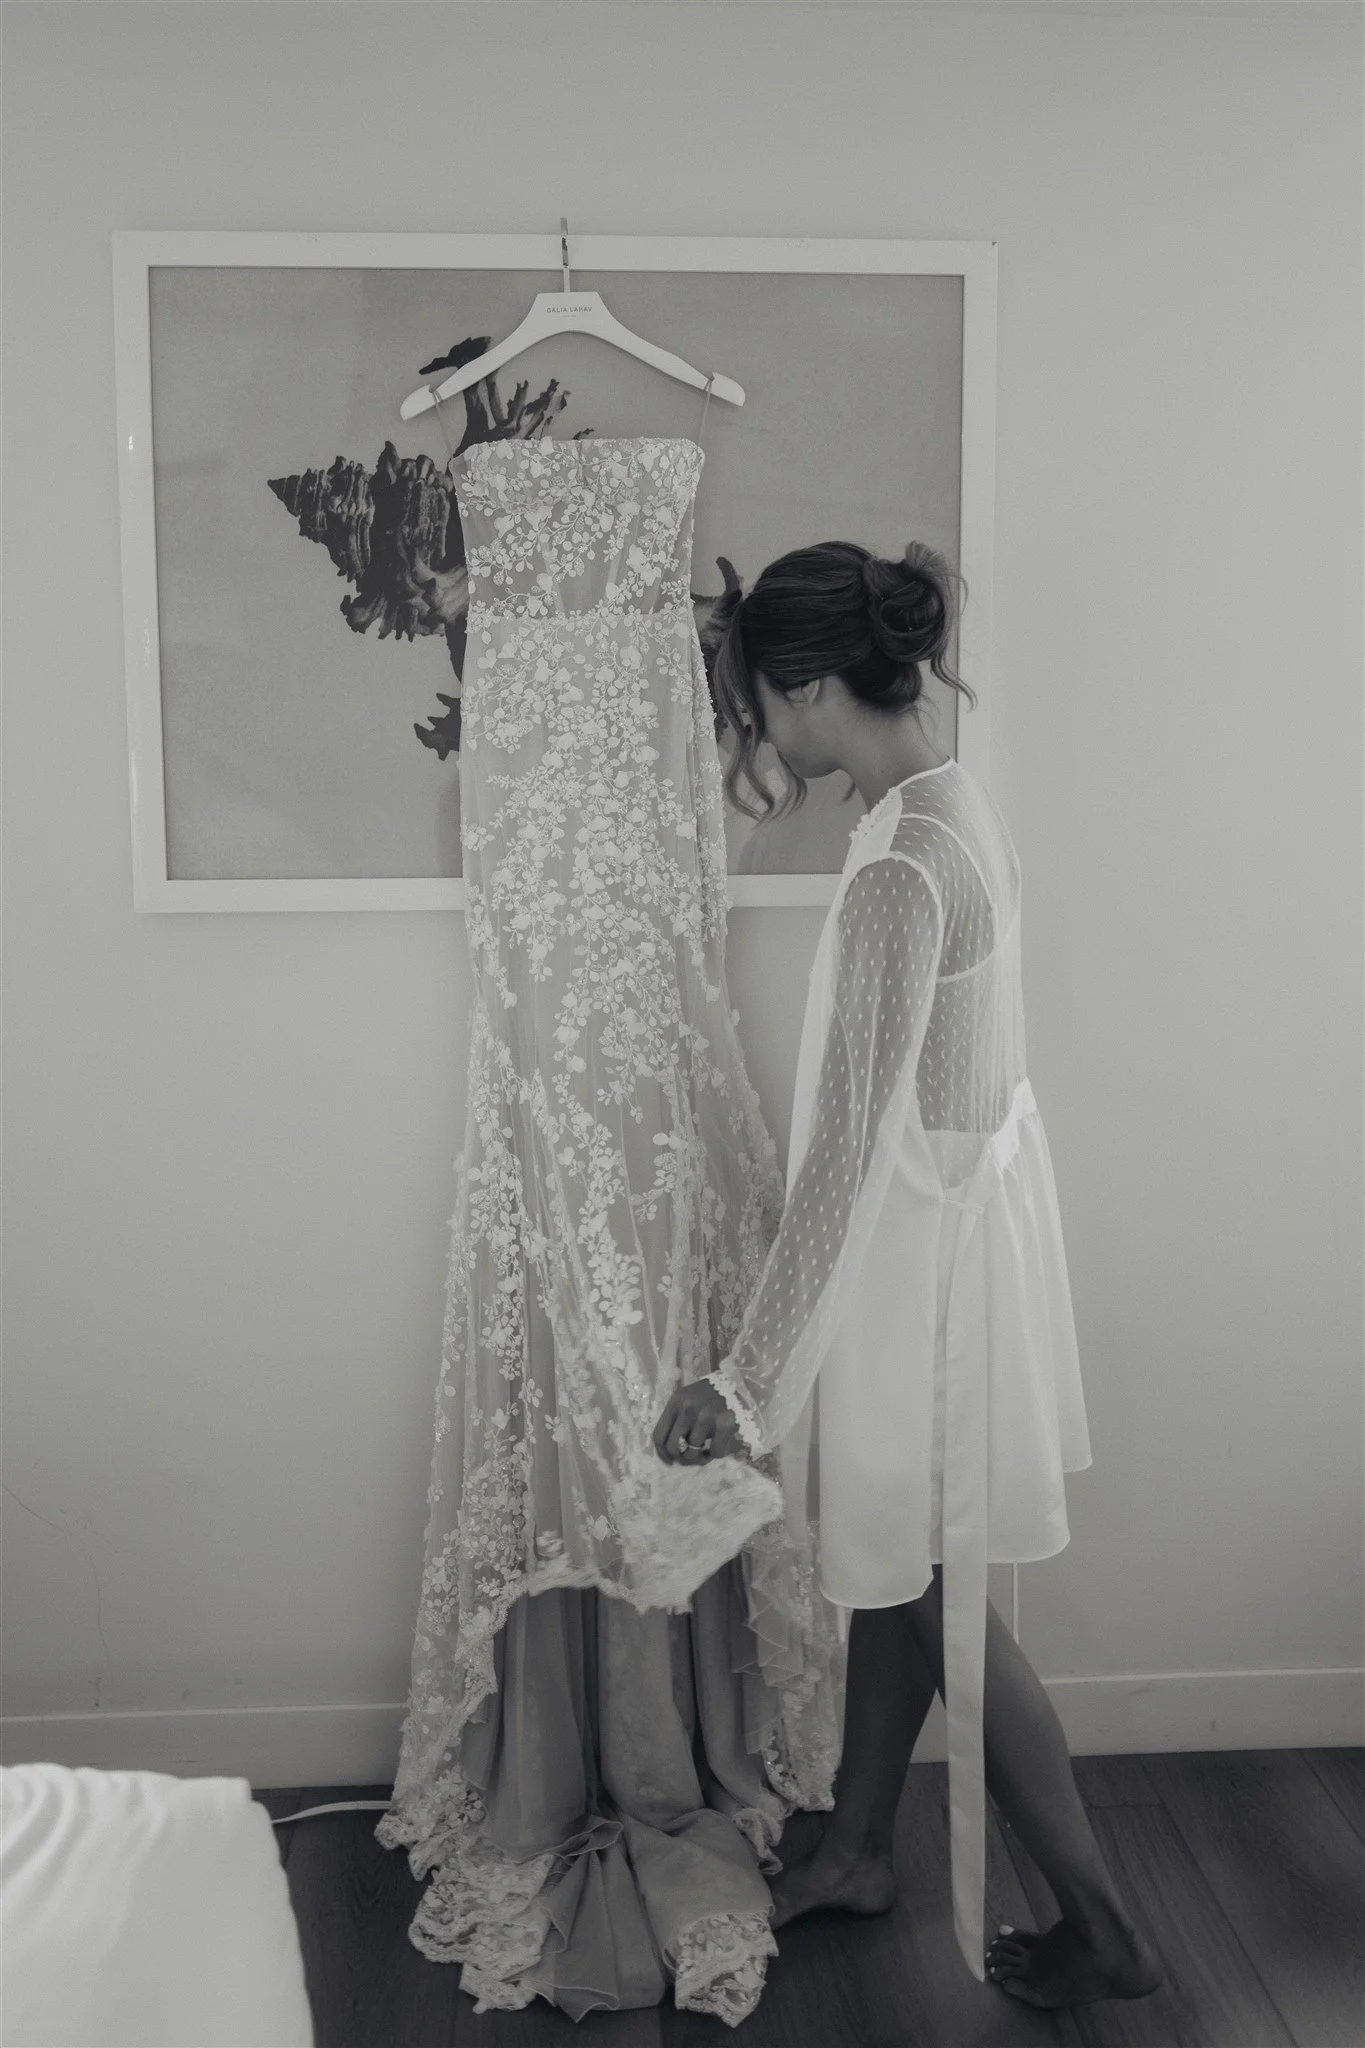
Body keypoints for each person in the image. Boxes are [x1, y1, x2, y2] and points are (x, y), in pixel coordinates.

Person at [655, 539, 1164, 2012]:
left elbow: (842, 1159)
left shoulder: (899, 872)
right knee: (903, 1571)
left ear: (818, 687)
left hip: (922, 1277)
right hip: (958, 1240)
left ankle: (1106, 1919)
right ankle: (863, 1846)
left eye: (765, 705)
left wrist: (742, 1381)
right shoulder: (953, 801)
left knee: (938, 1596)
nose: (763, 733)